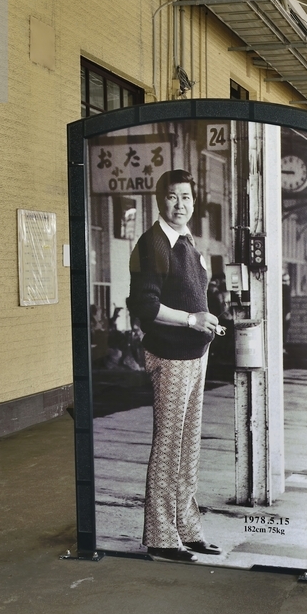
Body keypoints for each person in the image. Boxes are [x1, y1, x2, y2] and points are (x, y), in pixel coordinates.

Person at [128, 169, 223, 564]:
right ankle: (160, 537)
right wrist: (191, 320)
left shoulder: (186, 240)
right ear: (159, 200)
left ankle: (186, 527)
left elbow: (192, 294)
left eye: (186, 197)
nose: (180, 204)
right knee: (169, 447)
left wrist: (206, 321)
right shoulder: (152, 244)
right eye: (172, 196)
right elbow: (145, 306)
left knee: (188, 447)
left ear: (193, 202)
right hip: (169, 357)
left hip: (195, 354)